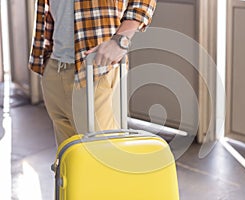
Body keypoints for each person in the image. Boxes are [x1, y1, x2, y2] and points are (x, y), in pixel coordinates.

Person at [28, 0, 156, 146]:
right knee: (68, 160)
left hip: (95, 71)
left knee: (102, 157)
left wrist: (120, 39)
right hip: (55, 68)